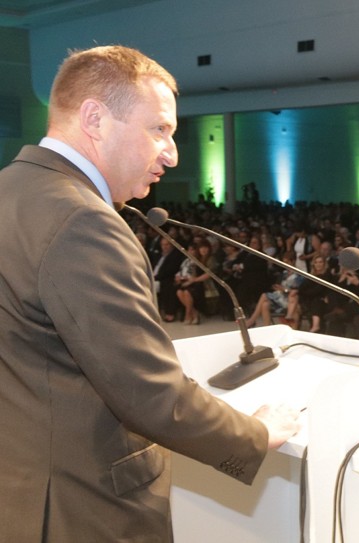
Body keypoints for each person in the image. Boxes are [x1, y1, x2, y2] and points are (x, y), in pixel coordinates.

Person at [0, 46, 299, 541]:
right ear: (94, 118)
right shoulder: (83, 220)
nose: (172, 153)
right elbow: (150, 394)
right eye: (159, 129)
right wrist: (256, 434)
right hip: (84, 507)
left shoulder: (11, 189)